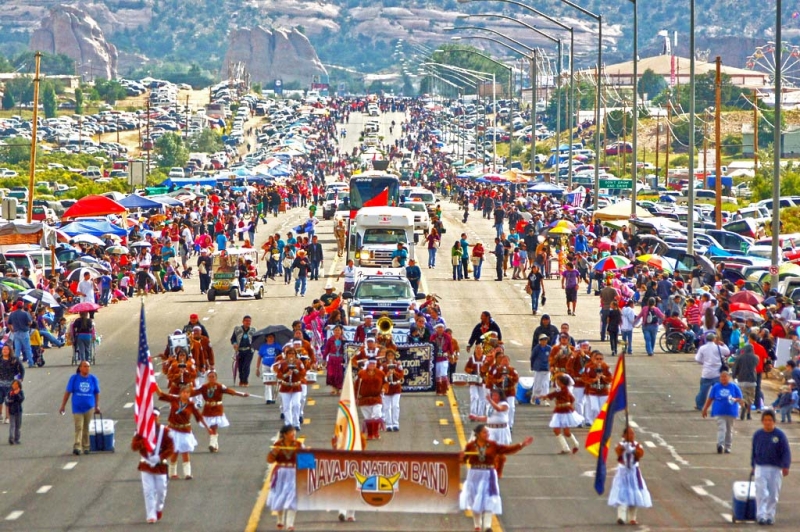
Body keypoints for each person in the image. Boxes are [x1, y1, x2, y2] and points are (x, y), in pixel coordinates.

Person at [460, 424, 533, 532]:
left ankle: (487, 526)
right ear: (478, 434)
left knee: (489, 499)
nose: (487, 434)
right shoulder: (470, 446)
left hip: (488, 475)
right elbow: (463, 460)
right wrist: (458, 458)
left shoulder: (493, 445)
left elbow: (507, 449)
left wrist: (521, 445)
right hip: (474, 474)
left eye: (488, 432)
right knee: (475, 499)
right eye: (485, 432)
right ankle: (477, 526)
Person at [157, 384, 211, 479]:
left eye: (187, 393)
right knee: (175, 451)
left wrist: (207, 428)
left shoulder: (191, 405)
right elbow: (161, 394)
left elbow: (198, 417)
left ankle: (187, 473)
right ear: (180, 393)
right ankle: (172, 472)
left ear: (190, 394)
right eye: (184, 392)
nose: (185, 394)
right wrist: (156, 386)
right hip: (173, 430)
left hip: (185, 431)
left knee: (185, 451)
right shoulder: (174, 400)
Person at [131, 407, 174, 524]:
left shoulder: (165, 431)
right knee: (148, 491)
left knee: (161, 490)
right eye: (151, 416)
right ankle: (151, 515)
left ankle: (159, 508)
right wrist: (143, 442)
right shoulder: (141, 431)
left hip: (160, 466)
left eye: (155, 416)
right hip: (146, 464)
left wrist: (160, 457)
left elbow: (171, 448)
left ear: (158, 417)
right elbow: (133, 446)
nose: (153, 418)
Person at [191, 370, 250, 452]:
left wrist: (242, 394)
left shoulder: (220, 386)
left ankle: (212, 443)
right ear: (207, 378)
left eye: (213, 377)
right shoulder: (204, 387)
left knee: (214, 427)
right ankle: (215, 445)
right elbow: (193, 393)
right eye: (210, 377)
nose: (211, 378)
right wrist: (181, 395)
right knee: (211, 427)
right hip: (207, 409)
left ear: (216, 378)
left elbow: (231, 392)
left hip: (217, 409)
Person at [751, 410, 791, 525]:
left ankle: (770, 515)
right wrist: (753, 465)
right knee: (761, 492)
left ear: (774, 422)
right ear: (762, 421)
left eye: (770, 420)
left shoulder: (780, 435)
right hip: (761, 467)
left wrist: (786, 465)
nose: (767, 423)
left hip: (775, 468)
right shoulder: (758, 435)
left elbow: (786, 452)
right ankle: (761, 515)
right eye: (765, 420)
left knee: (773, 494)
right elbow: (754, 451)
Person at [608, 426, 652, 525]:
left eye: (632, 433)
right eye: (629, 433)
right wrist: (625, 448)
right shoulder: (620, 445)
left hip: (634, 473)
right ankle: (621, 517)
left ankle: (632, 517)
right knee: (622, 494)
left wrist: (633, 450)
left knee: (635, 493)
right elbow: (618, 451)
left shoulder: (637, 445)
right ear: (623, 435)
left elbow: (640, 454)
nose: (631, 435)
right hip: (623, 473)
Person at [59, 360, 101, 455]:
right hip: (77, 407)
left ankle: (86, 446)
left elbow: (97, 393)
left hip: (89, 407)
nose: (87, 368)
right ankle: (77, 446)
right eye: (85, 366)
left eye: (88, 366)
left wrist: (97, 405)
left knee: (86, 427)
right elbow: (68, 392)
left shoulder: (93, 379)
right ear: (80, 368)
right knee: (79, 426)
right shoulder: (74, 378)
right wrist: (63, 405)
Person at [267, 425, 304, 531]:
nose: (294, 435)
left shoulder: (299, 444)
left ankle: (290, 524)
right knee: (280, 497)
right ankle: (280, 519)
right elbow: (270, 460)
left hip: (294, 473)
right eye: (291, 433)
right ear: (285, 434)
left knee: (293, 498)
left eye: (294, 433)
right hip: (281, 474)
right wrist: (274, 452)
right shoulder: (278, 445)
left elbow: (306, 459)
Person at [539, 374, 583, 454]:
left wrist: (541, 397)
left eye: (557, 380)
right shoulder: (565, 390)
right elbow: (572, 399)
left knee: (566, 432)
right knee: (557, 430)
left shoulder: (561, 390)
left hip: (565, 411)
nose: (556, 382)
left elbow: (551, 396)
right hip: (559, 411)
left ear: (560, 382)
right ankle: (566, 447)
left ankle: (575, 443)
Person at [701, 369, 743, 454]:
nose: (723, 379)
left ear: (729, 378)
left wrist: (735, 399)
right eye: (722, 377)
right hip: (719, 411)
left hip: (731, 412)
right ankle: (720, 445)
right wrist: (705, 409)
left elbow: (741, 399)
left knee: (729, 429)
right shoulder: (716, 387)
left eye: (725, 377)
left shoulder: (734, 387)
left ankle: (728, 446)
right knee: (722, 428)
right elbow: (710, 398)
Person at [694, 332, 728, 411]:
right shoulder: (718, 347)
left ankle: (700, 405)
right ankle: (720, 404)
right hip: (717, 373)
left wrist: (704, 362)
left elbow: (697, 359)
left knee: (703, 390)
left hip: (706, 372)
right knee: (719, 390)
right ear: (714, 339)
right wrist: (723, 344)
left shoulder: (702, 348)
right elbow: (727, 352)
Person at [276, 349, 306, 431]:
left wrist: (296, 371)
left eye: (293, 354)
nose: (291, 355)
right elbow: (278, 375)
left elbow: (303, 373)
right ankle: (288, 424)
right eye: (289, 354)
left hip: (296, 386)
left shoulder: (299, 363)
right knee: (286, 406)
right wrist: (286, 374)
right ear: (286, 355)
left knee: (296, 404)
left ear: (295, 355)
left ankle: (296, 423)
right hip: (285, 387)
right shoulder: (282, 363)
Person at [356, 359, 385, 439]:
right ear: (367, 365)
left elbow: (386, 383)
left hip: (376, 398)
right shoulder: (361, 373)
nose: (372, 365)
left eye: (374, 364)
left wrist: (384, 388)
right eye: (370, 364)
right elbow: (356, 386)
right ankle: (370, 434)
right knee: (368, 417)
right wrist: (356, 397)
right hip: (364, 399)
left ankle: (376, 432)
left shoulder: (380, 373)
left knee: (377, 414)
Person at [732, 343, 758, 420]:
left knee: (742, 396)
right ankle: (749, 414)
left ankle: (743, 406)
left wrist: (734, 375)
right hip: (752, 380)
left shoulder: (739, 358)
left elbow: (735, 368)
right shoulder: (756, 358)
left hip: (741, 379)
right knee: (750, 398)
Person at [0, 344, 24, 424]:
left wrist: (21, 378)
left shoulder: (14, 360)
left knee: (8, 401)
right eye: (3, 349)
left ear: (10, 351)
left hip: (11, 384)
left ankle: (7, 417)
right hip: (0, 383)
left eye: (6, 349)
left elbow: (21, 369)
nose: (5, 351)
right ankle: (0, 415)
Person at [381, 350, 404, 432]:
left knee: (395, 406)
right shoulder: (383, 366)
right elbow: (381, 376)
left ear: (394, 356)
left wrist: (395, 372)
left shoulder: (398, 365)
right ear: (386, 356)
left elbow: (401, 376)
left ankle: (395, 424)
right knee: (387, 407)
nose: (390, 357)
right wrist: (386, 375)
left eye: (392, 355)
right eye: (389, 355)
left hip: (396, 387)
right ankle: (388, 424)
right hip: (387, 388)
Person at [256, 333, 281, 405]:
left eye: (272, 337)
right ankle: (268, 398)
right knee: (267, 382)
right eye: (269, 337)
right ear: (266, 338)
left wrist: (278, 358)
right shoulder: (263, 347)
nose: (271, 338)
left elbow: (281, 355)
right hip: (265, 365)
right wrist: (257, 368)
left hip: (275, 366)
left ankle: (274, 398)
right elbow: (259, 357)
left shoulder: (277, 345)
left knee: (275, 382)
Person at [230, 315, 255, 387]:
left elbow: (255, 339)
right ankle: (241, 380)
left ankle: (245, 380)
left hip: (249, 351)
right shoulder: (237, 329)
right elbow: (233, 339)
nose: (248, 322)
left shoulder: (253, 330)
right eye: (246, 321)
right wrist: (235, 344)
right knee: (240, 366)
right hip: (240, 350)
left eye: (249, 321)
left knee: (246, 366)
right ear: (243, 321)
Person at [8, 301, 33, 367]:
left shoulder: (12, 314)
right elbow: (30, 322)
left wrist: (12, 330)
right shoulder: (25, 313)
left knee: (17, 349)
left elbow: (9, 323)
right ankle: (30, 363)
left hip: (16, 332)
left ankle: (16, 364)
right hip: (24, 332)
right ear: (22, 306)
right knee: (27, 348)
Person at [322, 325, 346, 395]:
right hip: (332, 359)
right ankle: (333, 388)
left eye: (338, 330)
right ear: (333, 331)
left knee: (339, 375)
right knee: (331, 374)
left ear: (341, 331)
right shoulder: (330, 340)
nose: (337, 332)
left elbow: (347, 350)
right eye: (335, 330)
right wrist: (324, 358)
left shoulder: (343, 340)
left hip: (340, 360)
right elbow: (326, 350)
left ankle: (338, 389)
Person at [530, 334, 551, 405]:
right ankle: (534, 397)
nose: (544, 341)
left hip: (546, 369)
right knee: (537, 385)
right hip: (538, 369)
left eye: (545, 339)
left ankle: (545, 399)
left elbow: (551, 358)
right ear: (540, 341)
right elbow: (532, 358)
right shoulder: (536, 348)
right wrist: (532, 366)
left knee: (545, 385)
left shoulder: (549, 348)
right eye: (543, 340)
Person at [5, 378, 23, 445]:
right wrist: (11, 399)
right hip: (12, 411)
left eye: (16, 385)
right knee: (12, 425)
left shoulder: (20, 392)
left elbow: (21, 399)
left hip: (18, 411)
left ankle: (16, 438)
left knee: (18, 425)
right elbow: (7, 401)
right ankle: (11, 438)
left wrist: (17, 394)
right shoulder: (10, 393)